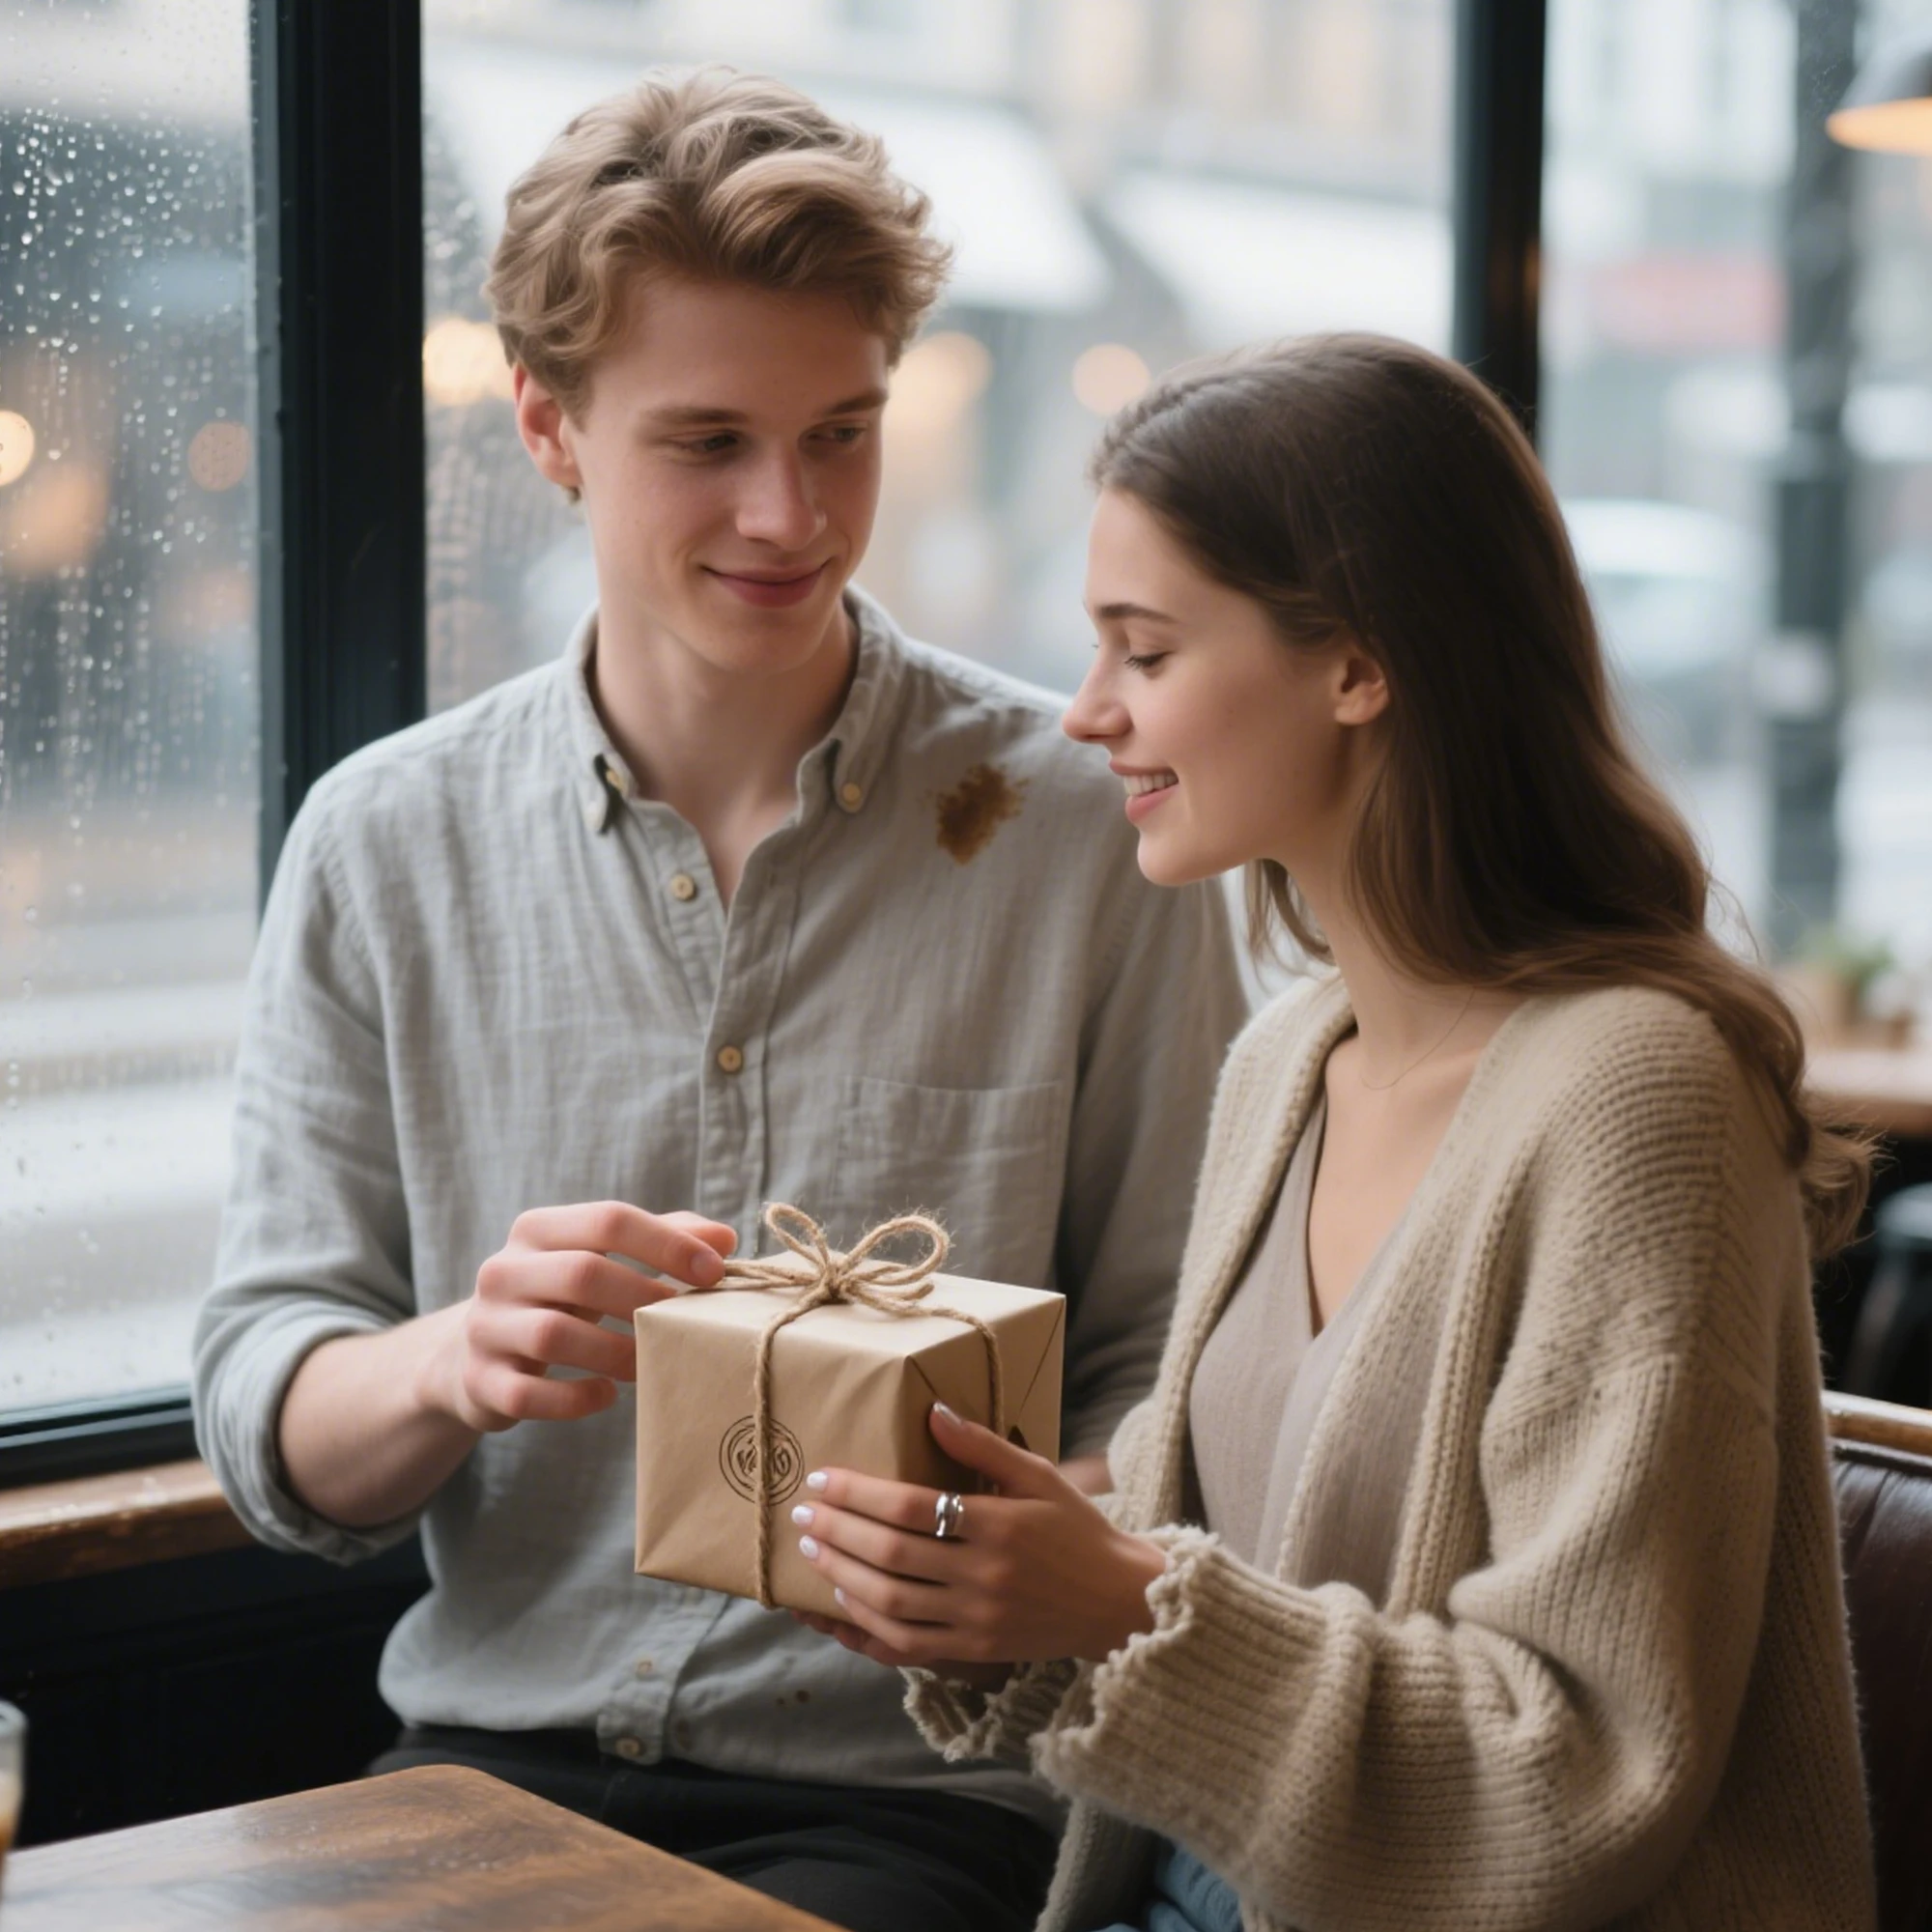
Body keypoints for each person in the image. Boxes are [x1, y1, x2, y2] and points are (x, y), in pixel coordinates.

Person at [191, 71, 1245, 1932]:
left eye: (841, 434)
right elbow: (272, 1404)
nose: (793, 513)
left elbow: (1184, 1373)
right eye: (709, 443)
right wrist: (453, 1359)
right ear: (550, 427)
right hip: (474, 1769)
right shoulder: (380, 841)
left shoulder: (1088, 831)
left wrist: (1028, 1537)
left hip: (922, 1798)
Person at [792, 333, 1879, 1931]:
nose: (1086, 713)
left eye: (1145, 653)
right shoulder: (1289, 1060)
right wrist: (999, 1594)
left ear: (1358, 666)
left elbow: (1588, 1768)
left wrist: (1118, 1596)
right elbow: (1221, 1584)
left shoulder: (1639, 1097)